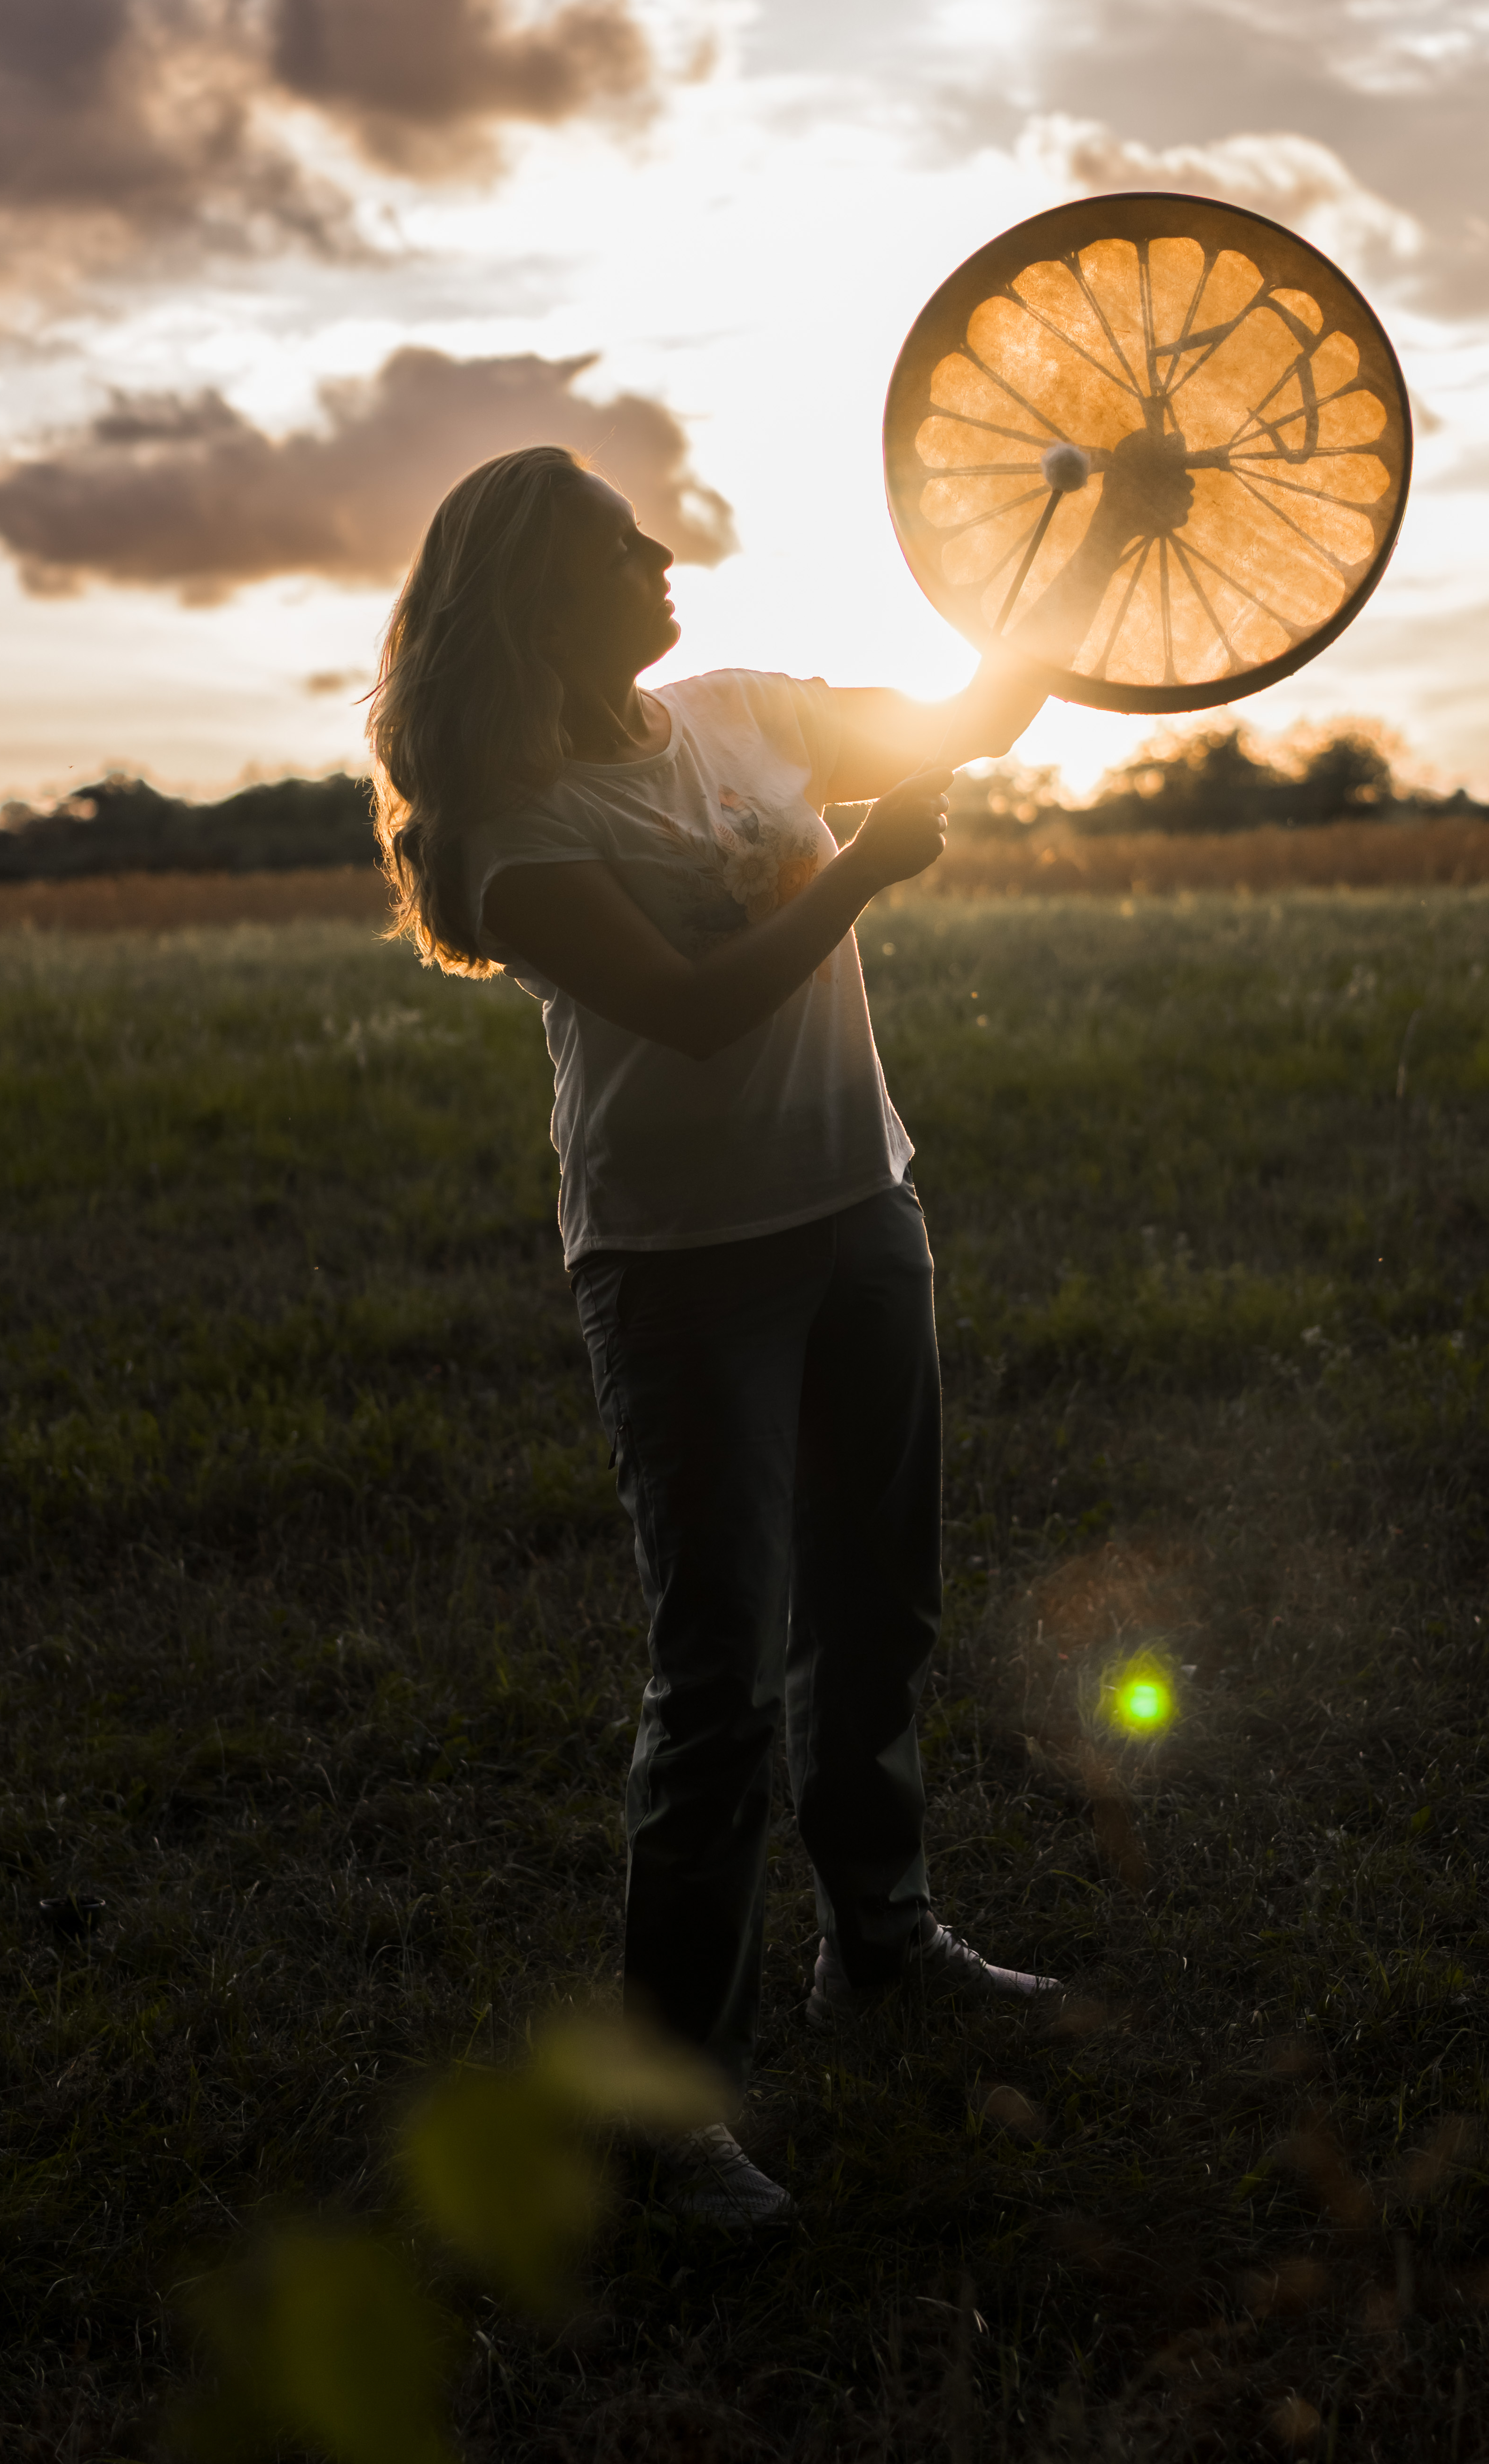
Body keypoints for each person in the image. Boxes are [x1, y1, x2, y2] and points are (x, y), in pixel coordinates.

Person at [366, 443, 1062, 2228]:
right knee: (717, 1691)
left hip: (858, 1210)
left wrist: (1095, 541)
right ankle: (666, 2122)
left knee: (879, 1610)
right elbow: (684, 1015)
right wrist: (851, 883)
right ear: (541, 595)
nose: (663, 548)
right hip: (682, 1269)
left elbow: (975, 711)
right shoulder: (515, 833)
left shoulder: (744, 709)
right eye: (617, 543)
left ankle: (883, 1943)